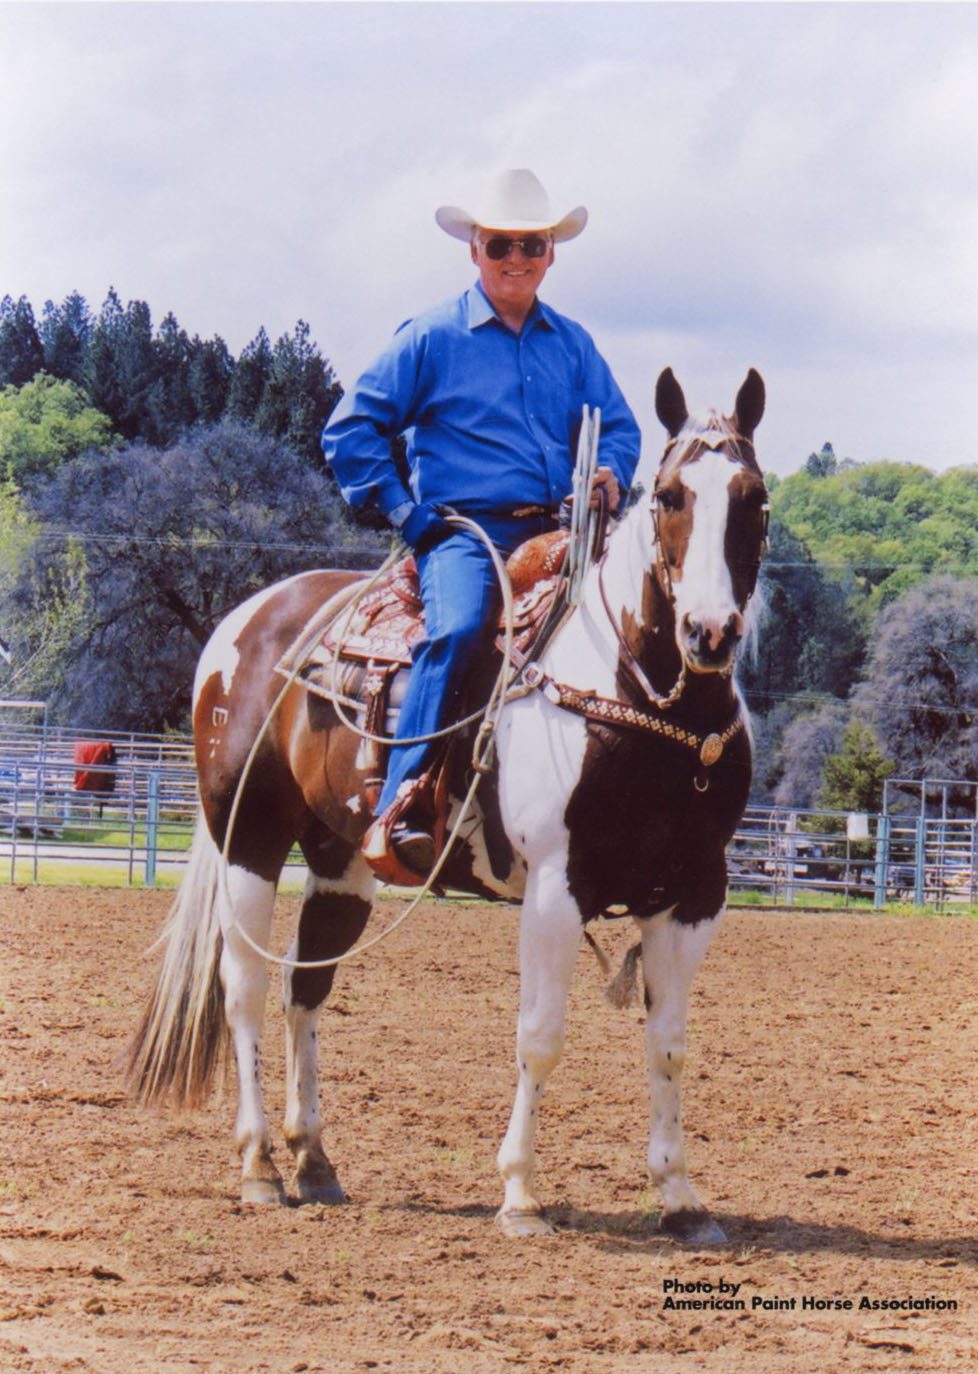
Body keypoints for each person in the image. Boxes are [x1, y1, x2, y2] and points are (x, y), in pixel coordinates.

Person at [321, 168, 641, 879]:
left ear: (551, 253)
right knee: (460, 630)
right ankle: (401, 803)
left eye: (531, 245)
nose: (517, 260)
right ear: (475, 249)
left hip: (561, 532)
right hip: (465, 533)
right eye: (502, 246)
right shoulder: (431, 338)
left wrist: (610, 472)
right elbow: (351, 430)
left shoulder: (574, 344)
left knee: (629, 629)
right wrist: (409, 515)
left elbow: (619, 427)